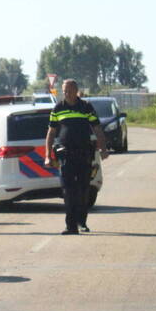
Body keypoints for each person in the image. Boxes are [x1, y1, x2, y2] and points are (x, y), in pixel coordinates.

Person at [43, 79, 109, 235]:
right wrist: (47, 155)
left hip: (84, 154)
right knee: (68, 191)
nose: (66, 93)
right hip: (66, 156)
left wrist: (103, 148)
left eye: (69, 90)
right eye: (64, 90)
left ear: (76, 91)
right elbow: (51, 133)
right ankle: (70, 225)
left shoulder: (86, 107)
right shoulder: (58, 108)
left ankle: (82, 222)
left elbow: (97, 129)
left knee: (83, 190)